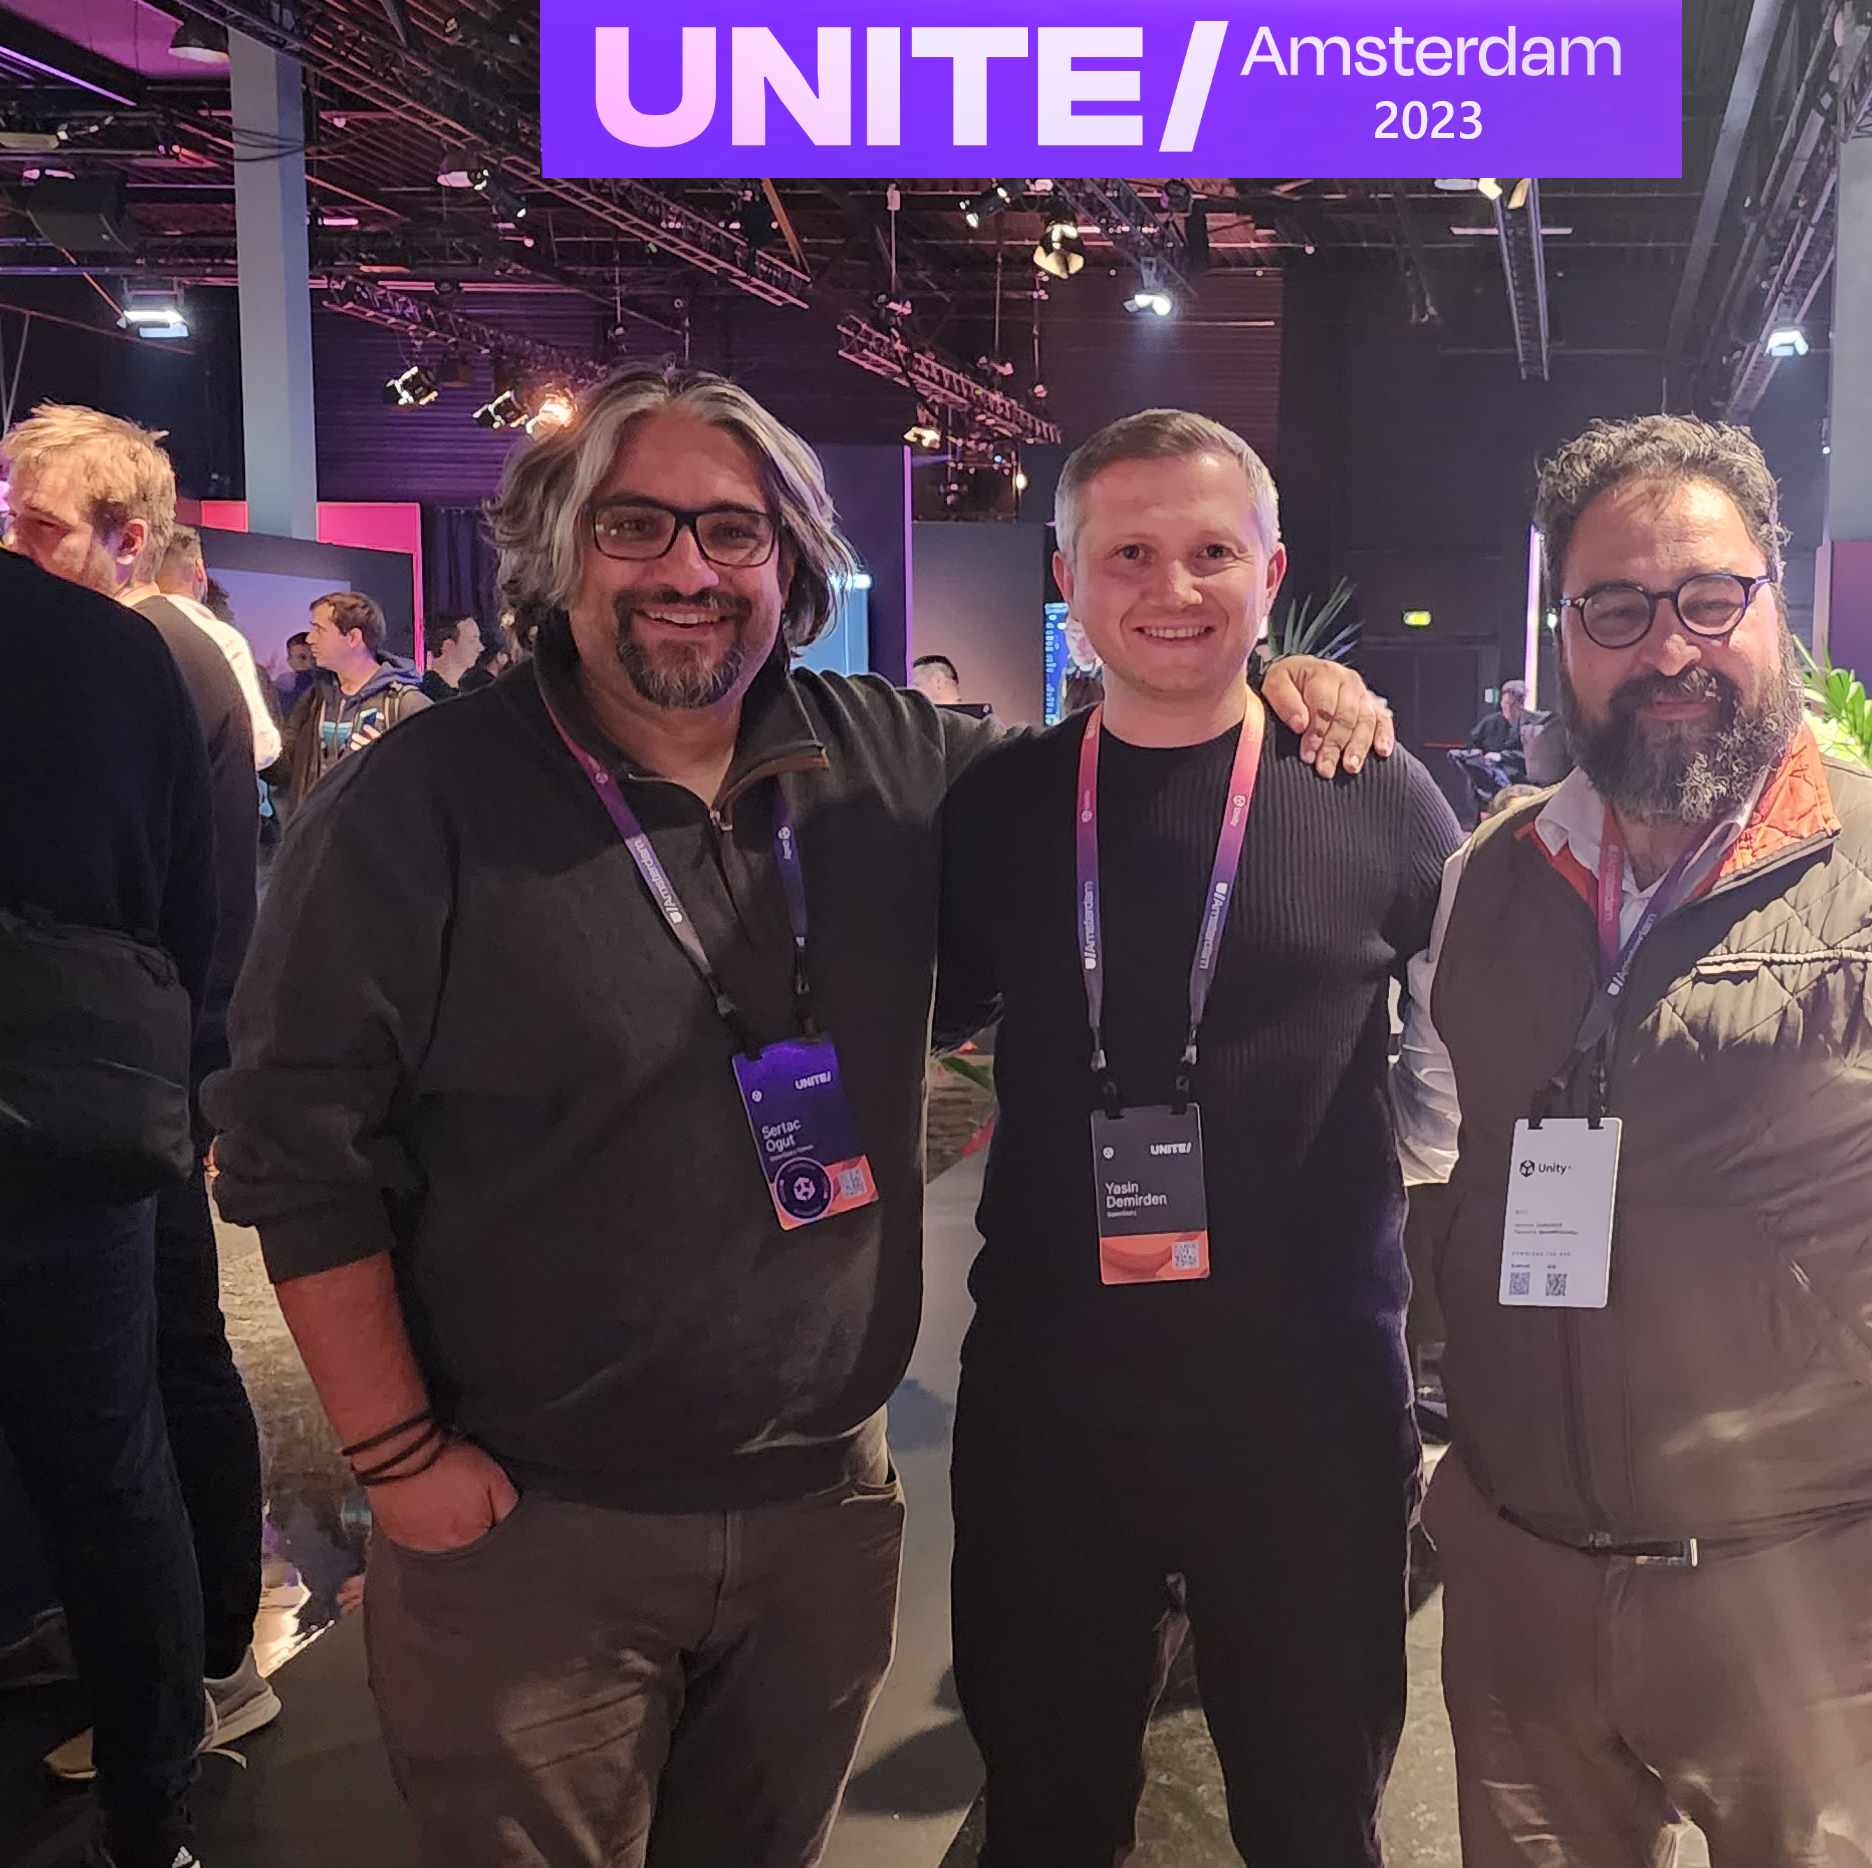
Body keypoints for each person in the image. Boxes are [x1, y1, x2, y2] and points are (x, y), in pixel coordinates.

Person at [203, 363, 1388, 1868]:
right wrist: (394, 1459)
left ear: (793, 562)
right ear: (560, 547)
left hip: (822, 1507)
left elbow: (1133, 781)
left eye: (734, 531)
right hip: (535, 1527)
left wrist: (1280, 683)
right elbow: (295, 1148)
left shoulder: (897, 762)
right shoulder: (417, 801)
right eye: (636, 524)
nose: (688, 569)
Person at [1394, 414, 1872, 1866]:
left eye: (1708, 597)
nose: (1667, 647)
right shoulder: (1489, 875)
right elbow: (1431, 1143)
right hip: (1524, 1576)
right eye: (1616, 608)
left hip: (1811, 1592)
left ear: (1772, 602)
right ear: (1563, 632)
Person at [937, 411, 1460, 1867]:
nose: (1172, 588)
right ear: (1066, 578)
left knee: (1314, 1819)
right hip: (1051, 1408)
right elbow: (934, 1013)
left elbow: (1455, 1070)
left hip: (1309, 1414)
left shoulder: (1377, 793)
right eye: (1129, 554)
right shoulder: (999, 807)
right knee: (1045, 1819)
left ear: (1270, 571)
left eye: (1213, 551)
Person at [1, 405, 279, 1788]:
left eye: (38, 525)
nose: (16, 546)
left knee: (166, 1371)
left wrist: (199, 1082)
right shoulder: (122, 652)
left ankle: (206, 1669)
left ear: (123, 535)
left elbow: (196, 903)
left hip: (133, 1081)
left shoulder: (155, 653)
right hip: (129, 1073)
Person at [0, 540, 215, 1868]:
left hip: (71, 1127)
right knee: (114, 1479)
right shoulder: (107, 646)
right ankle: (155, 1818)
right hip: (77, 1117)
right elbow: (186, 915)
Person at [274, 592, 428, 816]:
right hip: (317, 834)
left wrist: (390, 763)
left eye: (319, 630)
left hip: (376, 834)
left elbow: (436, 782)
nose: (310, 639)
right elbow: (285, 767)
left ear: (354, 638)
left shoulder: (406, 704)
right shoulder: (314, 699)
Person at [150, 524, 282, 769]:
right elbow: (261, 747)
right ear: (200, 570)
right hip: (208, 785)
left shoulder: (122, 626)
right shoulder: (222, 639)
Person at [420, 613, 486, 702]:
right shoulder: (427, 694)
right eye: (472, 641)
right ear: (448, 645)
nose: (480, 648)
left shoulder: (465, 692)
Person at [1466, 679, 1531, 755]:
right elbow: (1472, 742)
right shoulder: (1489, 722)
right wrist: (1475, 751)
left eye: (1513, 704)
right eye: (1506, 703)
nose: (1509, 708)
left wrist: (1501, 757)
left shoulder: (1530, 726)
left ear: (1521, 705)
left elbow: (1530, 754)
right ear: (1501, 703)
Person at [274, 631, 315, 717]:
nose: (310, 662)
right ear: (290, 661)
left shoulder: (326, 681)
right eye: (302, 657)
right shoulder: (283, 685)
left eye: (314, 658)